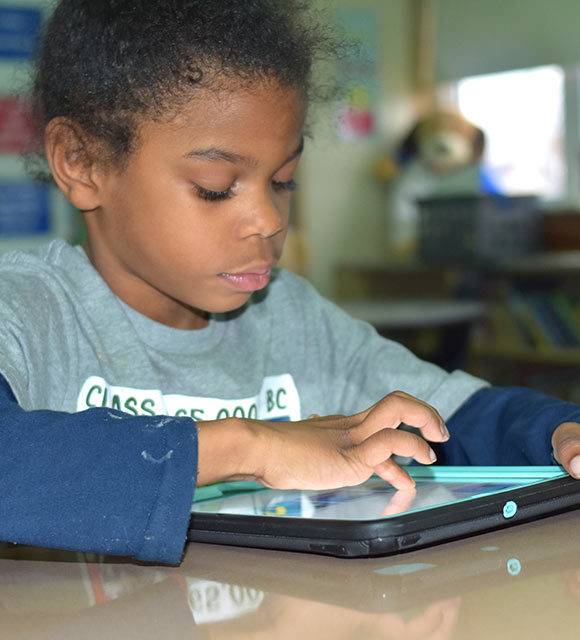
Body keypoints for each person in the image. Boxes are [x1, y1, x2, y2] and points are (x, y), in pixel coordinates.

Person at [1, 0, 579, 566]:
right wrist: (255, 446)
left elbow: (458, 419)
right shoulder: (28, 312)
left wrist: (556, 429)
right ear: (82, 162)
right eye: (216, 186)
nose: (270, 221)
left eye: (283, 181)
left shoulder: (291, 317)